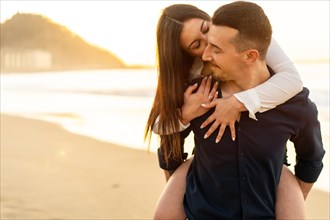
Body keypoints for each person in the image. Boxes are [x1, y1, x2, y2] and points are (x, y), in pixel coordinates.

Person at [158, 1, 325, 219]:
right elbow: (169, 145)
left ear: (249, 56)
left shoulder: (293, 103)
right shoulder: (196, 96)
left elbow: (311, 158)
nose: (207, 52)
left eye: (211, 39)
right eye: (197, 45)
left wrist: (292, 198)